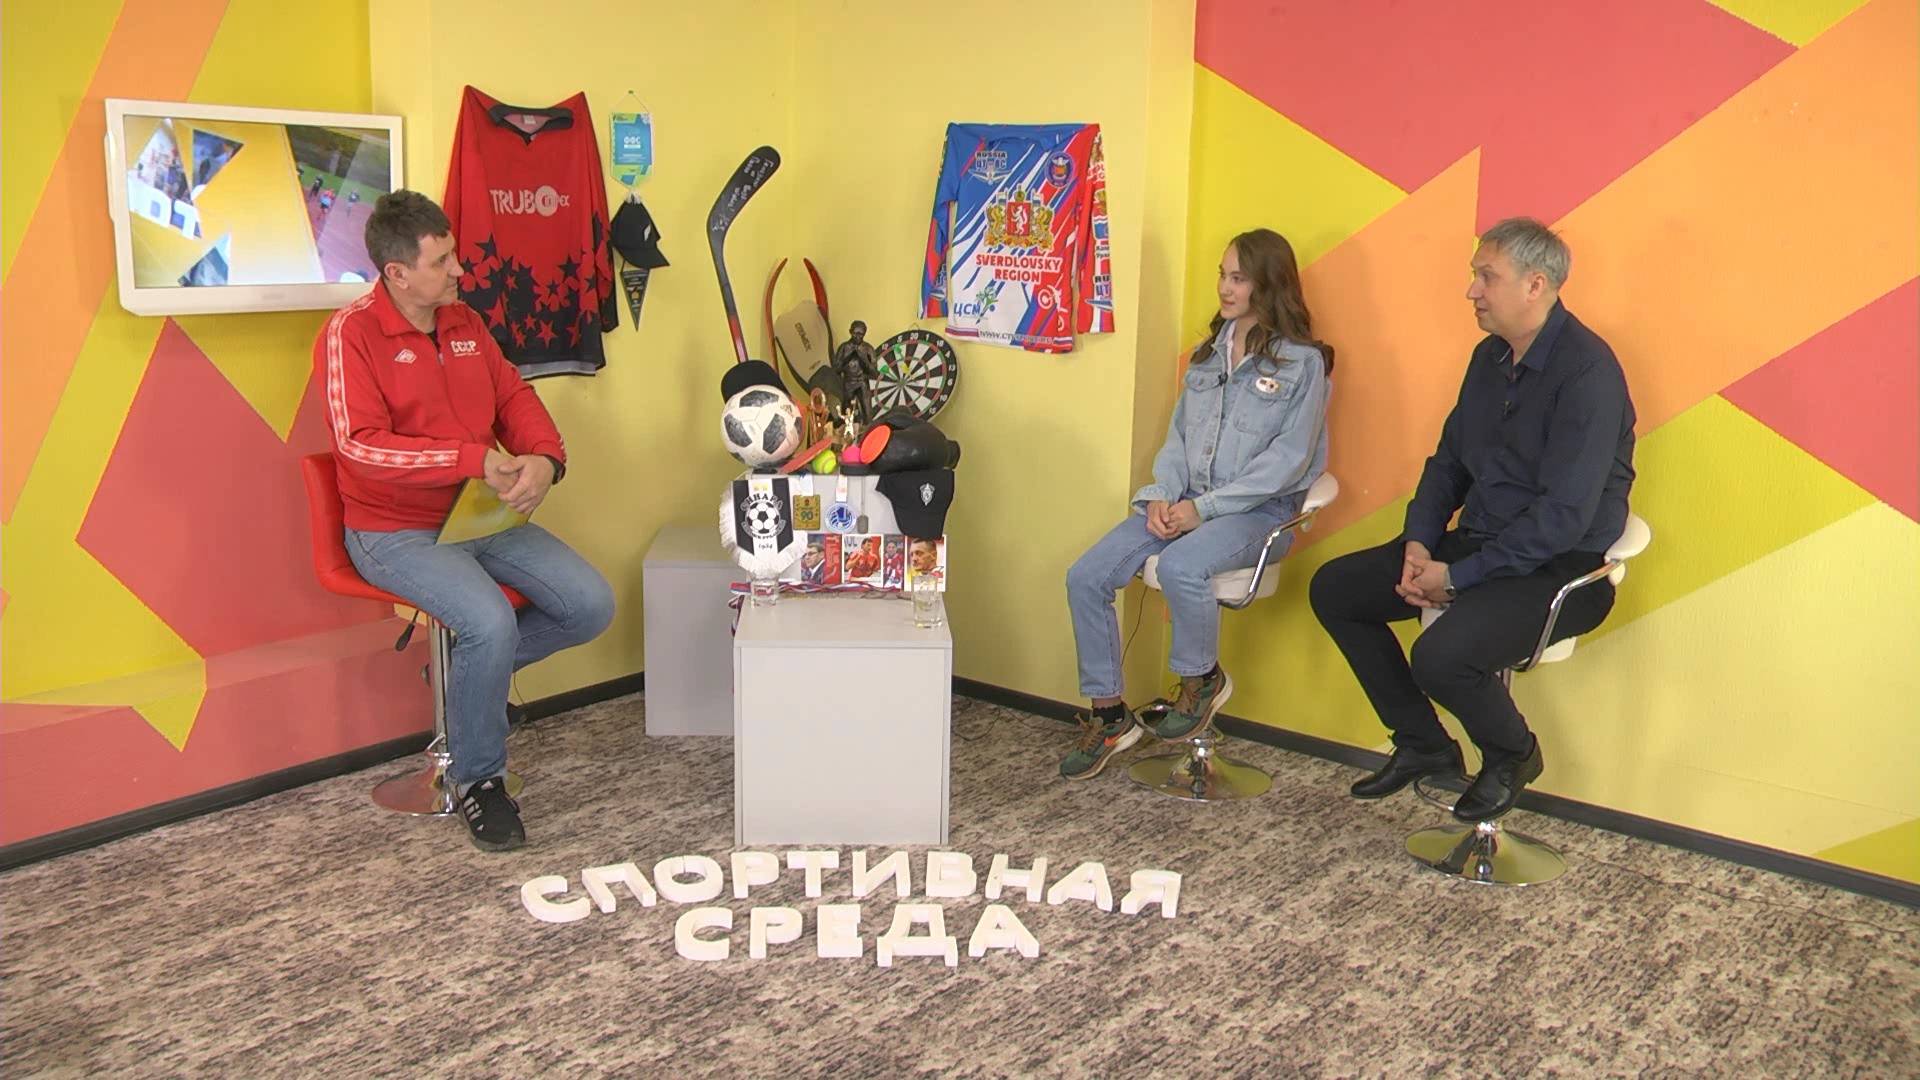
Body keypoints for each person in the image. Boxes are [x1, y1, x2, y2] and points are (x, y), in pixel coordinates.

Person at [313, 190, 614, 852]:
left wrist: (545, 458)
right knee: (489, 623)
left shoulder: (465, 322)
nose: (459, 270)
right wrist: (470, 458)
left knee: (591, 605)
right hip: (393, 531)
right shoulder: (349, 334)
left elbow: (513, 396)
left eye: (454, 255)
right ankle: (480, 780)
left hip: (479, 516)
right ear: (397, 273)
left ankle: (466, 680)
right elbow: (359, 445)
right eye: (442, 261)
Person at [1308, 218, 1635, 821]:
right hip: (1484, 547)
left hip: (1562, 571)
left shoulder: (1588, 373)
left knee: (1440, 656)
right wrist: (1418, 542)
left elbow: (1562, 519)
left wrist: (1457, 578)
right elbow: (1449, 464)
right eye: (1474, 276)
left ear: (1536, 285)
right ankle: (1424, 744)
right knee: (1336, 589)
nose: (1472, 291)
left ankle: (1512, 756)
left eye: (1487, 277)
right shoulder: (1489, 357)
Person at [1060, 228, 1332, 780]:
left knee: (1182, 564)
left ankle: (1200, 680)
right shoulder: (1208, 356)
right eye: (1222, 275)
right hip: (1185, 502)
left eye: (1239, 278)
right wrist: (1162, 496)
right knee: (1085, 576)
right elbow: (1179, 439)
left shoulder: (1303, 364)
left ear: (1268, 284)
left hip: (1258, 514)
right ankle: (1108, 715)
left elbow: (1287, 462)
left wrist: (1202, 510)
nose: (1225, 288)